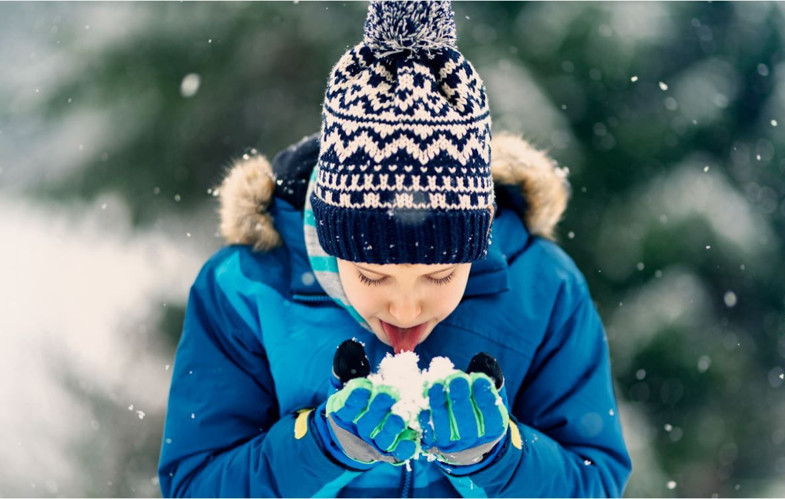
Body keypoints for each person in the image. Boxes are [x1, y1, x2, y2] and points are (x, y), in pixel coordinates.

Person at [158, 1, 631, 497]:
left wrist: (496, 460)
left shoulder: (545, 289)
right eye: (373, 275)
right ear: (329, 235)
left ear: (479, 237)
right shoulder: (244, 292)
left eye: (440, 275)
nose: (405, 308)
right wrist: (320, 447)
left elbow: (594, 482)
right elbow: (194, 486)